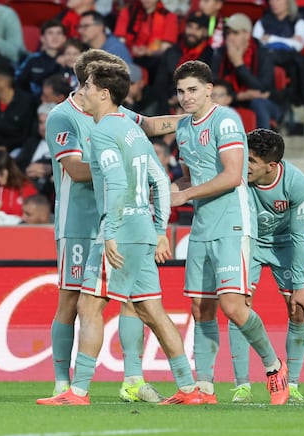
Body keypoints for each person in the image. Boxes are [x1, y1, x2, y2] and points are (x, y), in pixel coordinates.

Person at [36, 57, 205, 406]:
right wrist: (159, 227)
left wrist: (196, 115)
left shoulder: (110, 124)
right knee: (104, 303)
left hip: (112, 225)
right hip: (80, 223)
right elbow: (79, 170)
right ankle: (189, 388)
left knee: (93, 303)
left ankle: (94, 387)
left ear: (100, 91)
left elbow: (114, 174)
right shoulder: (64, 116)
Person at [171, 60, 289, 405]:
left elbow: (232, 175)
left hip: (232, 223)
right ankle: (204, 389)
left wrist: (185, 195)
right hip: (201, 225)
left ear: (209, 89)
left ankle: (273, 366)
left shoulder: (225, 120)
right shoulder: (183, 128)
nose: (186, 97)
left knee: (233, 306)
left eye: (192, 90)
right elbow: (190, 178)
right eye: (180, 91)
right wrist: (163, 190)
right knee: (199, 307)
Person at [229, 128, 304, 403]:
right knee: (238, 305)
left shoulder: (295, 182)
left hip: (284, 245)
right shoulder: (237, 173)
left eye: (251, 160)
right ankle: (242, 385)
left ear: (271, 166)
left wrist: (300, 286)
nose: (244, 164)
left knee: (299, 308)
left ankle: (293, 383)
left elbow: (300, 236)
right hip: (248, 242)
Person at [212, 13, 285, 130]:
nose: (230, 37)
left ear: (247, 35)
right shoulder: (220, 54)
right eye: (228, 33)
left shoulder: (263, 53)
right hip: (231, 99)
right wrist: (239, 96)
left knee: (258, 103)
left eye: (235, 33)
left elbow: (263, 88)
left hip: (267, 103)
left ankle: (262, 145)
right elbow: (214, 84)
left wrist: (239, 65)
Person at [252, 0, 304, 112]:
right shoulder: (262, 21)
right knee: (266, 55)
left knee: (300, 62)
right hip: (265, 55)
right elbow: (256, 40)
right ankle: (264, 92)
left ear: (288, 3)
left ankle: (303, 100)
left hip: (289, 57)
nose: (274, 3)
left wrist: (271, 39)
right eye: (272, 1)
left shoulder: (299, 22)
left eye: (278, 0)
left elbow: (297, 45)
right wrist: (287, 41)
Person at [150, 10, 213, 115]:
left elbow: (208, 84)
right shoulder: (172, 52)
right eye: (190, 27)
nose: (192, 32)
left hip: (197, 104)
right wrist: (171, 99)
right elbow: (160, 83)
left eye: (198, 29)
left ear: (205, 32)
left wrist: (183, 99)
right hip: (168, 103)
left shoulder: (210, 56)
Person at [0, 58, 37, 162]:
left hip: (16, 152)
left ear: (3, 82)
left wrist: (7, 147)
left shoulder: (26, 101)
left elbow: (26, 133)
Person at [114, 0, 179, 84]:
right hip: (128, 59)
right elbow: (119, 42)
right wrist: (131, 49)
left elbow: (166, 50)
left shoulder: (169, 17)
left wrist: (148, 52)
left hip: (154, 64)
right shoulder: (127, 12)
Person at [16, 19, 67, 101]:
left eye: (59, 33)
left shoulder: (71, 60)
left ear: (64, 38)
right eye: (50, 33)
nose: (55, 37)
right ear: (42, 38)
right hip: (35, 104)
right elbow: (19, 83)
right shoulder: (33, 60)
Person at [16, 102, 56, 205]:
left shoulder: (65, 144)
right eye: (41, 122)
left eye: (47, 122)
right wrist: (27, 172)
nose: (43, 127)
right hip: (26, 188)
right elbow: (18, 166)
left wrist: (51, 169)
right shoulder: (31, 143)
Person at [0, 148, 38, 218]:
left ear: (9, 170)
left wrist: (2, 207)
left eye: (0, 173)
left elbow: (30, 214)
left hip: (18, 227)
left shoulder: (26, 186)